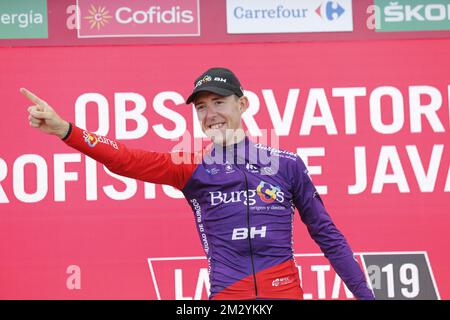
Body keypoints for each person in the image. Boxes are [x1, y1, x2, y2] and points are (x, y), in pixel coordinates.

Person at [21, 67, 375, 300]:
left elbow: (329, 236)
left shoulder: (286, 165)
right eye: (201, 108)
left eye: (219, 102)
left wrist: (365, 296)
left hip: (286, 292)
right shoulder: (188, 165)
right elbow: (126, 159)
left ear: (243, 104)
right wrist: (67, 131)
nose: (210, 115)